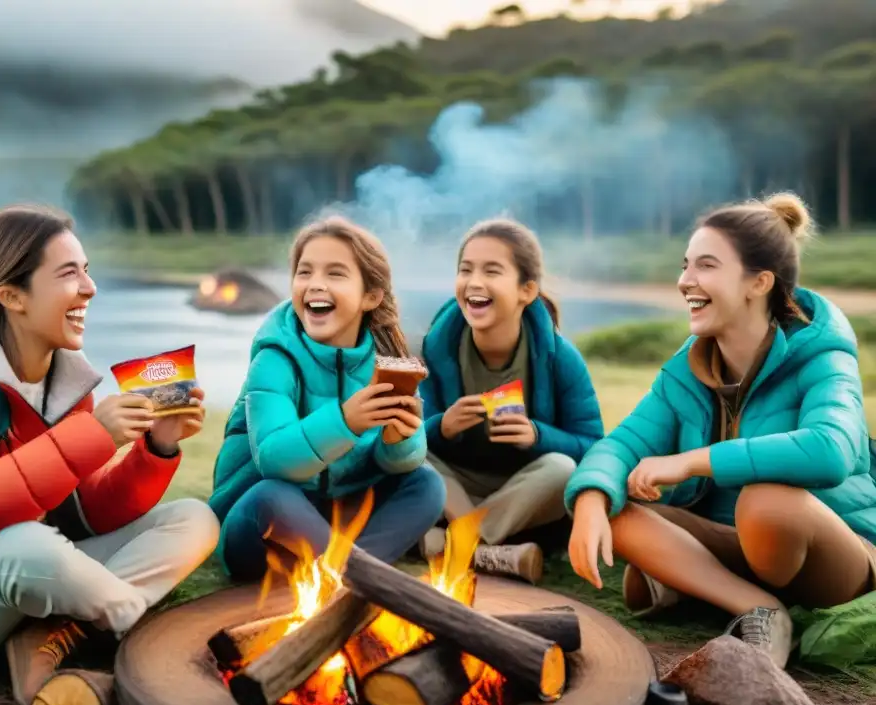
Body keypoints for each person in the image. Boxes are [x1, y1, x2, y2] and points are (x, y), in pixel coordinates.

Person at [0, 205, 220, 705]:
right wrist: (92, 436)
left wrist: (156, 448)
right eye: (69, 274)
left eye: (88, 271)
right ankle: (133, 626)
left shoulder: (66, 384)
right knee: (25, 545)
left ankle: (51, 635)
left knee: (192, 518)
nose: (90, 289)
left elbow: (85, 513)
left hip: (31, 573)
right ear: (11, 296)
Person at [565, 192, 876, 669]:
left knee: (765, 501)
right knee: (615, 506)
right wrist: (589, 500)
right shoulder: (686, 372)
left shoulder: (823, 356)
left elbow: (830, 451)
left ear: (759, 282)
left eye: (706, 266)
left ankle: (686, 582)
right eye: (685, 265)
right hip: (742, 549)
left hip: (832, 553)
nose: (684, 281)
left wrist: (692, 460)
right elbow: (622, 445)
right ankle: (760, 609)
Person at [209, 216, 445, 582]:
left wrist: (398, 442)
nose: (315, 284)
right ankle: (363, 580)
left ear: (371, 296)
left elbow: (404, 463)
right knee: (272, 495)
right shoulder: (274, 358)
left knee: (427, 485)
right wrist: (345, 422)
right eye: (304, 273)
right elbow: (273, 461)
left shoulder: (389, 358)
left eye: (335, 274)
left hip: (340, 519)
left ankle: (342, 579)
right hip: (264, 529)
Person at [418, 219, 604, 584]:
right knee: (414, 457)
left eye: (492, 271)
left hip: (526, 492)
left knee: (562, 468)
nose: (474, 282)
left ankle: (451, 544)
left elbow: (594, 446)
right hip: (457, 488)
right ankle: (489, 549)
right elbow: (413, 439)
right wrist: (441, 427)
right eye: (465, 270)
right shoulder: (437, 348)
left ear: (527, 290)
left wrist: (538, 436)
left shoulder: (559, 358)